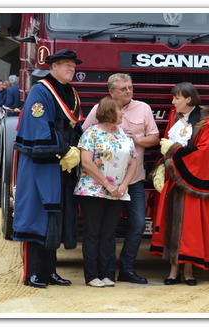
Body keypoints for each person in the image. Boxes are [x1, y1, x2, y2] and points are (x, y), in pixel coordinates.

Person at [12, 49, 84, 288]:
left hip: (63, 166)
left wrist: (78, 149)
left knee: (55, 217)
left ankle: (49, 271)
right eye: (66, 65)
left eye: (73, 65)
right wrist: (64, 151)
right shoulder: (40, 90)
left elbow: (74, 126)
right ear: (52, 66)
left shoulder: (70, 92)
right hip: (41, 163)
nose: (71, 69)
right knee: (36, 216)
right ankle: (32, 273)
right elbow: (39, 127)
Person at [82, 73, 159, 284]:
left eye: (131, 88)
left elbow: (154, 138)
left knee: (137, 224)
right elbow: (84, 137)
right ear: (112, 92)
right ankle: (97, 273)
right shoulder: (97, 112)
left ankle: (125, 269)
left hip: (131, 182)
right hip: (99, 185)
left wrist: (136, 139)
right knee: (98, 231)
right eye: (123, 88)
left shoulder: (142, 108)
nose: (129, 92)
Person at [150, 82, 209, 286]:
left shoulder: (207, 121)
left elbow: (203, 153)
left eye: (176, 98)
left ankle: (190, 271)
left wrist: (173, 149)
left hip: (194, 183)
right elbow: (165, 144)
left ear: (189, 99)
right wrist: (160, 167)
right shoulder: (174, 117)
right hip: (173, 181)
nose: (173, 102)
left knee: (190, 229)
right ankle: (173, 270)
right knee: (172, 224)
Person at [75, 96, 138, 287]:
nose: (122, 113)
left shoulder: (123, 135)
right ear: (110, 112)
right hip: (93, 191)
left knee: (108, 234)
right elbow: (86, 162)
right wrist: (107, 184)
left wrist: (123, 185)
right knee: (93, 233)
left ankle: (106, 274)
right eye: (119, 110)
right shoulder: (91, 133)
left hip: (117, 192)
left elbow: (133, 161)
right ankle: (92, 275)